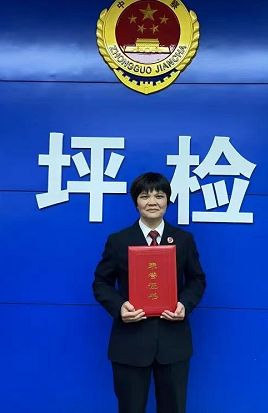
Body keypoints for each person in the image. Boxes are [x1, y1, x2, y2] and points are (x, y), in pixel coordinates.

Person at [92, 172, 206, 413]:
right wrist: (119, 308)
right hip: (130, 343)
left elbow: (197, 279)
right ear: (136, 202)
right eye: (145, 196)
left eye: (159, 196)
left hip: (173, 343)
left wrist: (184, 305)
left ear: (167, 201)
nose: (152, 202)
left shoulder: (184, 240)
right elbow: (101, 283)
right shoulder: (118, 241)